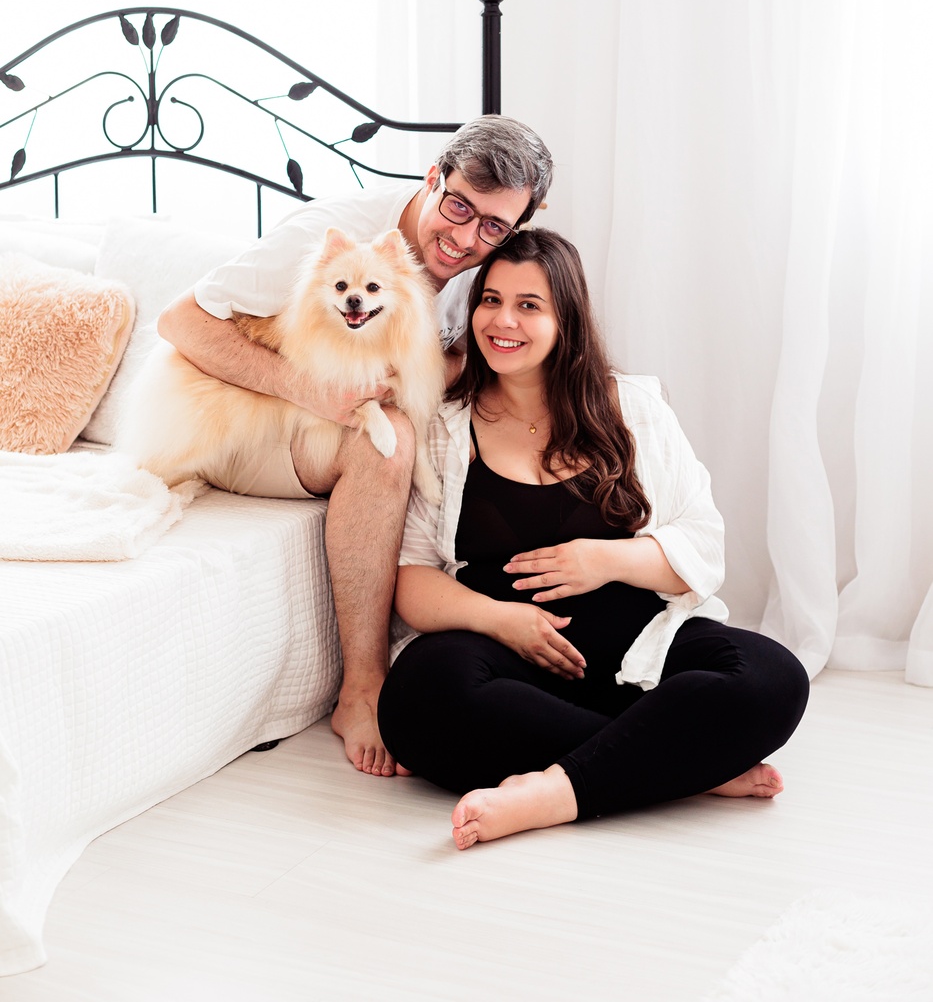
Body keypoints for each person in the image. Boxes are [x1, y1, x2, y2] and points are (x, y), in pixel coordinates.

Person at [377, 229, 810, 848]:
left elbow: (702, 543)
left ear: (566, 318)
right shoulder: (445, 424)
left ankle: (554, 794)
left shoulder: (632, 406)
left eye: (529, 305)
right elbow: (413, 577)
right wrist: (502, 620)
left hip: (636, 647)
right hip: (506, 656)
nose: (502, 321)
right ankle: (684, 762)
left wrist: (603, 559)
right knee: (417, 697)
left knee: (774, 677)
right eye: (490, 300)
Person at [157, 116, 554, 778]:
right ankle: (362, 689)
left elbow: (465, 357)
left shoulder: (487, 266)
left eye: (493, 226)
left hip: (324, 424)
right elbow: (180, 321)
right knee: (387, 443)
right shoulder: (328, 236)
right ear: (433, 177)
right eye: (458, 207)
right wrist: (311, 390)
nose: (465, 239)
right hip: (244, 424)